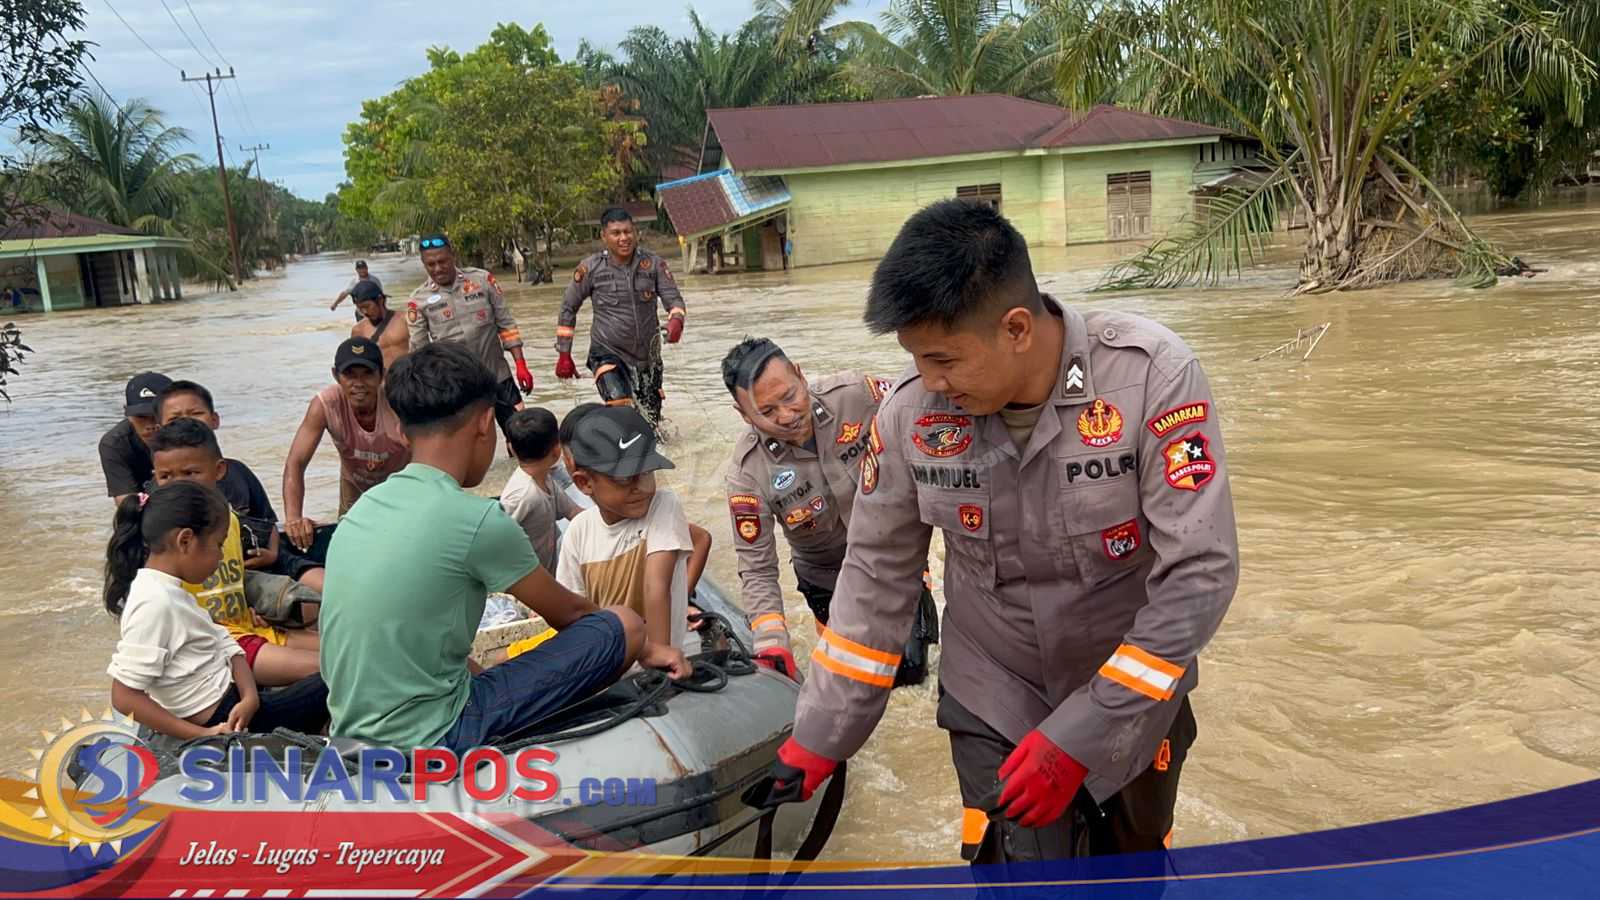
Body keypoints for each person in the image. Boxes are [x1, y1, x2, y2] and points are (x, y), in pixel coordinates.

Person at [761, 200, 1238, 865]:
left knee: (1133, 864)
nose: (930, 381)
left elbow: (1199, 575)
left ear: (1016, 328)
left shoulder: (1151, 378)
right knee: (1015, 875)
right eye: (916, 359)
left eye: (945, 359)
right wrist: (819, 735)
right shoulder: (909, 417)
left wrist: (1084, 731)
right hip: (994, 685)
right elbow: (875, 580)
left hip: (1131, 687)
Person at [319, 342, 689, 752]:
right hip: (434, 737)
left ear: (403, 432)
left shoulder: (361, 511)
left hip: (349, 733)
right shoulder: (476, 519)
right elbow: (574, 614)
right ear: (483, 423)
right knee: (623, 624)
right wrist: (651, 646)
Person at [721, 338, 937, 684]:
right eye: (767, 412)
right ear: (743, 415)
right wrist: (771, 640)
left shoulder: (856, 395)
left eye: (790, 396)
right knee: (851, 679)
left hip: (894, 558)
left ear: (800, 376)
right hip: (826, 580)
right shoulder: (748, 474)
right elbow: (757, 567)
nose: (787, 415)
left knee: (911, 672)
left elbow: (926, 409)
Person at [103, 481, 329, 739]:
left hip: (240, 705)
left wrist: (250, 697)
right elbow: (124, 695)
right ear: (185, 540)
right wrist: (202, 734)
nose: (221, 557)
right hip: (224, 717)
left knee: (334, 674)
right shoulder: (154, 603)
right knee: (343, 676)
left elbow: (228, 646)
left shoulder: (174, 591)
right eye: (218, 545)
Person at [149, 419, 323, 687]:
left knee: (352, 649)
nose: (178, 484)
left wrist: (250, 606)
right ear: (155, 477)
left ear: (219, 470)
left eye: (190, 473)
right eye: (166, 476)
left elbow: (232, 579)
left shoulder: (228, 518)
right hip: (214, 643)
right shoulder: (165, 534)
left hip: (250, 628)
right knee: (332, 666)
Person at [556, 406, 704, 653]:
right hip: (610, 663)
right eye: (624, 479)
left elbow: (656, 587)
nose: (642, 487)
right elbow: (574, 612)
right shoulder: (578, 532)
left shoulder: (662, 506)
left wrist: (659, 659)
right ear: (583, 482)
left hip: (658, 663)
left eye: (646, 473)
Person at [155, 380, 324, 590]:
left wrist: (271, 553)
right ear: (159, 428)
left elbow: (267, 520)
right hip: (212, 581)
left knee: (317, 580)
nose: (188, 422)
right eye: (174, 418)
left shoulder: (238, 473)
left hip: (256, 562)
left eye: (196, 413)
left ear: (214, 419)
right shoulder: (157, 498)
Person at [555, 208, 686, 428]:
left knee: (650, 425)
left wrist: (676, 321)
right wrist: (564, 354)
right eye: (616, 233)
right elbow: (568, 308)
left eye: (628, 232)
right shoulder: (590, 268)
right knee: (621, 407)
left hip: (648, 358)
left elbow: (674, 300)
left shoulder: (654, 264)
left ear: (635, 233)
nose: (623, 238)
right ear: (603, 236)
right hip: (607, 352)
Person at [281, 337, 410, 553]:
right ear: (336, 375)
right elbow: (295, 463)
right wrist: (294, 518)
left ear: (382, 375)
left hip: (400, 489)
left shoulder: (399, 401)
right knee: (351, 549)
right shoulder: (325, 405)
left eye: (367, 374)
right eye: (350, 375)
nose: (358, 383)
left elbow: (431, 454)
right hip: (354, 488)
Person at [406, 234, 534, 440]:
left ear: (453, 255)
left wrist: (520, 365)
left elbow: (506, 324)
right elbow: (420, 352)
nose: (438, 268)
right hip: (456, 386)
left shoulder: (483, 281)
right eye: (431, 264)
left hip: (498, 376)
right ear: (423, 264)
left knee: (521, 436)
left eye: (442, 261)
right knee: (468, 445)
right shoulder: (418, 300)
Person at [500, 407, 583, 568]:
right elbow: (496, 540)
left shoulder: (546, 479)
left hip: (549, 565)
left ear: (511, 449)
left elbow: (573, 512)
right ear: (556, 450)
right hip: (529, 578)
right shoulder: (522, 496)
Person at [100, 372, 172, 504]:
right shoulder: (115, 444)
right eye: (141, 417)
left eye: (157, 415)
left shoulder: (194, 434)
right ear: (126, 412)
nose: (150, 425)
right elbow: (126, 503)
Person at [350, 279, 408, 370]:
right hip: (384, 381)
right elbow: (358, 362)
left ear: (380, 300)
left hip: (410, 377)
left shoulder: (404, 319)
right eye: (360, 308)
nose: (364, 312)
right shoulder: (358, 330)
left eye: (367, 306)